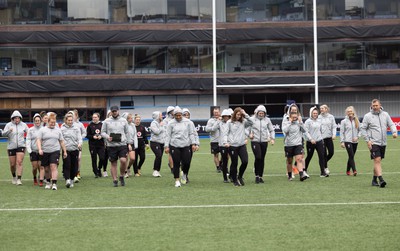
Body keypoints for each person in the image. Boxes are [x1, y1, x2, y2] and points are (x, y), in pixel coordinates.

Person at [360, 99, 397, 187]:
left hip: (383, 142)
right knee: (377, 160)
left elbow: (391, 124)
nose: (375, 107)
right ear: (371, 106)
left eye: (377, 105)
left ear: (380, 105)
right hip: (373, 142)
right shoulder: (367, 116)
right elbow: (363, 129)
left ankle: (374, 180)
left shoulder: (385, 114)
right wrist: (367, 140)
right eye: (374, 106)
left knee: (378, 161)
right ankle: (381, 179)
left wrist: (394, 132)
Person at [164, 106, 197, 187]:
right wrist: (166, 146)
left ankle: (184, 173)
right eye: (176, 115)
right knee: (176, 163)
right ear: (174, 115)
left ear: (182, 114)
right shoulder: (171, 123)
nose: (178, 117)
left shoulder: (188, 122)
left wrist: (193, 143)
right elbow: (168, 135)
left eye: (180, 115)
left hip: (186, 145)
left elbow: (191, 133)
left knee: (186, 162)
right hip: (174, 145)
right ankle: (177, 180)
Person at [101, 106, 131, 187]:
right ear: (111, 112)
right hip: (111, 146)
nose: (114, 112)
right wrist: (107, 137)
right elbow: (102, 132)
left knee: (123, 160)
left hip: (122, 144)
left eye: (115, 111)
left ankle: (121, 176)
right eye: (113, 111)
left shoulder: (124, 120)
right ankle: (115, 180)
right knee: (113, 163)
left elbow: (127, 132)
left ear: (118, 111)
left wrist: (129, 144)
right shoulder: (106, 121)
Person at [223, 107, 253, 186]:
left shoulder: (243, 122)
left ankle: (240, 176)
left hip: (242, 145)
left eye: (240, 115)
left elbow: (251, 122)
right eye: (238, 114)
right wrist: (226, 142)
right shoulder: (229, 122)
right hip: (232, 146)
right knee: (234, 163)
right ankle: (235, 180)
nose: (239, 116)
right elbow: (225, 133)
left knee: (245, 161)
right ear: (235, 114)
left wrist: (245, 114)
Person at [37, 113, 67, 190]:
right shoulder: (42, 130)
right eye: (51, 122)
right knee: (46, 168)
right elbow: (39, 140)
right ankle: (48, 182)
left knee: (53, 166)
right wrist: (40, 149)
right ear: (48, 122)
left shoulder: (58, 130)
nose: (53, 124)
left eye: (54, 122)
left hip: (55, 151)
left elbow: (61, 141)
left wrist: (64, 151)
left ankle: (54, 183)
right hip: (45, 151)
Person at [248, 105, 275, 184]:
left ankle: (260, 176)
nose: (261, 114)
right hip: (255, 141)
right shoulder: (252, 119)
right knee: (258, 156)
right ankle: (256, 175)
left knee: (262, 158)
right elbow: (246, 128)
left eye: (262, 113)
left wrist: (272, 138)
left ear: (265, 113)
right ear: (257, 112)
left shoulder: (267, 120)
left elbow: (271, 130)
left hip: (264, 141)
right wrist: (249, 135)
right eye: (260, 112)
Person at [282, 111, 311, 182]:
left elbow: (304, 130)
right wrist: (289, 122)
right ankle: (289, 175)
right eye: (293, 117)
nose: (295, 118)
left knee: (299, 159)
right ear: (290, 117)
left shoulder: (299, 123)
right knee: (289, 161)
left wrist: (301, 122)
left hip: (298, 144)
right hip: (288, 145)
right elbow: (285, 131)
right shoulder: (286, 123)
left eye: (296, 117)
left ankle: (301, 175)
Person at [2, 110, 29, 185]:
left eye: (18, 118)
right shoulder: (8, 125)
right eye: (15, 118)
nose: (17, 120)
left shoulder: (23, 125)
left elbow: (29, 132)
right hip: (11, 146)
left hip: (21, 146)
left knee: (19, 162)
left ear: (20, 118)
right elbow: (3, 134)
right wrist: (9, 131)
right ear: (12, 118)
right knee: (12, 164)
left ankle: (19, 179)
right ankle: (14, 177)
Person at [304, 106, 327, 177]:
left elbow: (321, 130)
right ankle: (304, 170)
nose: (315, 114)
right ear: (311, 113)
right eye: (314, 113)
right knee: (309, 156)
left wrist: (321, 138)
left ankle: (323, 172)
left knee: (321, 156)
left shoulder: (319, 121)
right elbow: (306, 132)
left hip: (319, 141)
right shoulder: (308, 121)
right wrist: (311, 139)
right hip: (310, 142)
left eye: (316, 113)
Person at [61, 113, 82, 188]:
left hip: (74, 149)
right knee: (67, 164)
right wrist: (63, 149)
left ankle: (72, 179)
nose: (70, 121)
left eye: (71, 120)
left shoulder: (76, 128)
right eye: (68, 120)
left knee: (74, 166)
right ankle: (67, 180)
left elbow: (79, 138)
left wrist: (79, 144)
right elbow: (61, 139)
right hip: (66, 150)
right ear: (66, 120)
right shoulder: (62, 128)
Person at [340, 106, 360, 176]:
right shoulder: (343, 121)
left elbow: (360, 130)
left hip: (355, 142)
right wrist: (342, 141)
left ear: (353, 112)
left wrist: (357, 137)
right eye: (348, 112)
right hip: (347, 141)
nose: (350, 113)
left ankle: (348, 170)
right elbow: (342, 132)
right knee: (351, 155)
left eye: (351, 111)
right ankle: (354, 170)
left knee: (351, 156)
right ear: (346, 113)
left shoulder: (356, 120)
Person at [182, 108, 200, 183]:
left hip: (190, 145)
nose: (186, 116)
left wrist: (197, 144)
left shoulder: (191, 123)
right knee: (182, 161)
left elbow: (195, 134)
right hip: (180, 145)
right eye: (184, 115)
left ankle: (185, 175)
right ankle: (182, 176)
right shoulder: (178, 123)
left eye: (188, 115)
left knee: (187, 162)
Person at [26, 113, 44, 186]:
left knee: (41, 166)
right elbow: (28, 140)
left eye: (38, 120)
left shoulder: (43, 129)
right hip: (33, 151)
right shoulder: (30, 130)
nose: (37, 122)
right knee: (35, 167)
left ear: (40, 121)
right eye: (36, 121)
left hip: (41, 151)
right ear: (34, 121)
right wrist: (29, 150)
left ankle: (41, 179)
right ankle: (34, 177)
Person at [319, 104, 337, 176]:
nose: (321, 109)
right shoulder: (319, 117)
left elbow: (334, 126)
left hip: (329, 137)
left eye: (323, 108)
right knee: (323, 153)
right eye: (320, 108)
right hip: (322, 138)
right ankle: (325, 167)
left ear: (326, 109)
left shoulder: (331, 117)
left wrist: (334, 134)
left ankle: (323, 162)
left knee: (331, 152)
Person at [86, 113, 106, 178]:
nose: (94, 118)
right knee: (94, 159)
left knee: (102, 158)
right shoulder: (90, 125)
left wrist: (101, 136)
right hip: (92, 145)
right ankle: (96, 173)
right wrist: (93, 137)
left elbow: (105, 133)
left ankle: (99, 168)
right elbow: (87, 135)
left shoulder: (102, 125)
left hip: (101, 145)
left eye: (95, 117)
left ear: (98, 118)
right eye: (93, 117)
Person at [205, 107, 222, 173]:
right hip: (214, 140)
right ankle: (218, 167)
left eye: (217, 112)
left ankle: (221, 164)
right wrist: (214, 125)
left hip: (222, 140)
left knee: (226, 155)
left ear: (219, 112)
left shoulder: (223, 119)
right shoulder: (210, 120)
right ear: (213, 113)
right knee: (216, 155)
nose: (216, 114)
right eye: (215, 112)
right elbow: (207, 129)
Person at [149, 111, 165, 177]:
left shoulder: (161, 122)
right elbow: (157, 132)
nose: (162, 116)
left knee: (160, 156)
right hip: (154, 142)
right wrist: (161, 126)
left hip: (161, 142)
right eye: (161, 115)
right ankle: (155, 170)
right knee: (158, 155)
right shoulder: (153, 123)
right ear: (157, 116)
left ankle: (157, 171)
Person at [218, 109, 232, 183]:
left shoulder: (232, 122)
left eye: (227, 116)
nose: (226, 118)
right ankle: (225, 178)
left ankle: (232, 175)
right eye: (224, 116)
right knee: (225, 161)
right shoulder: (220, 123)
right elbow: (210, 129)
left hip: (231, 143)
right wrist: (217, 121)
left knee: (233, 160)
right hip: (222, 144)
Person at [123, 113, 138, 178]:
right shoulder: (124, 125)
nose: (131, 119)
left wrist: (135, 144)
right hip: (124, 143)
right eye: (129, 118)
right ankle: (125, 172)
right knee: (125, 158)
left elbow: (135, 135)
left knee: (132, 158)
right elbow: (124, 135)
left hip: (131, 143)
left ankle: (128, 167)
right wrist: (128, 143)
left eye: (131, 118)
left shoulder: (133, 125)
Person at [163, 106, 175, 173]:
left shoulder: (176, 119)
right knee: (171, 154)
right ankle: (172, 168)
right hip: (169, 139)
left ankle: (173, 165)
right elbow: (165, 132)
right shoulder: (166, 121)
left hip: (176, 139)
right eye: (173, 111)